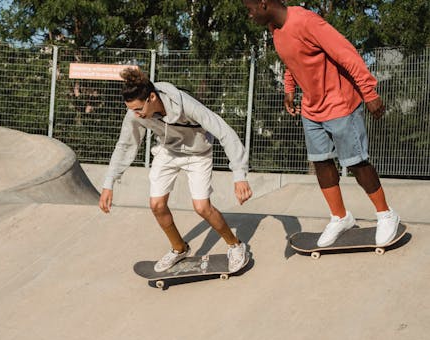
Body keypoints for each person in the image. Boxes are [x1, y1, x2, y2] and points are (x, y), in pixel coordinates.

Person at [242, 0, 400, 247]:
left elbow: (345, 52)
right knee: (321, 162)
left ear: (263, 4)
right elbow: (292, 60)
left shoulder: (306, 21)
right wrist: (290, 89)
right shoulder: (275, 29)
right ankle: (340, 217)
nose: (249, 16)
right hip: (312, 108)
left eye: (249, 10)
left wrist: (369, 93)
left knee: (356, 163)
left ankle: (386, 213)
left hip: (340, 103)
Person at [99, 68, 253, 272]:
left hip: (197, 153)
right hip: (167, 151)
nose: (136, 114)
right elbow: (126, 145)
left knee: (202, 207)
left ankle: (235, 245)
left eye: (138, 109)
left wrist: (239, 175)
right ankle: (179, 248)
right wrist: (109, 183)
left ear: (151, 97)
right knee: (156, 205)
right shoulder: (135, 114)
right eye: (132, 110)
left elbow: (224, 131)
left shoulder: (185, 104)